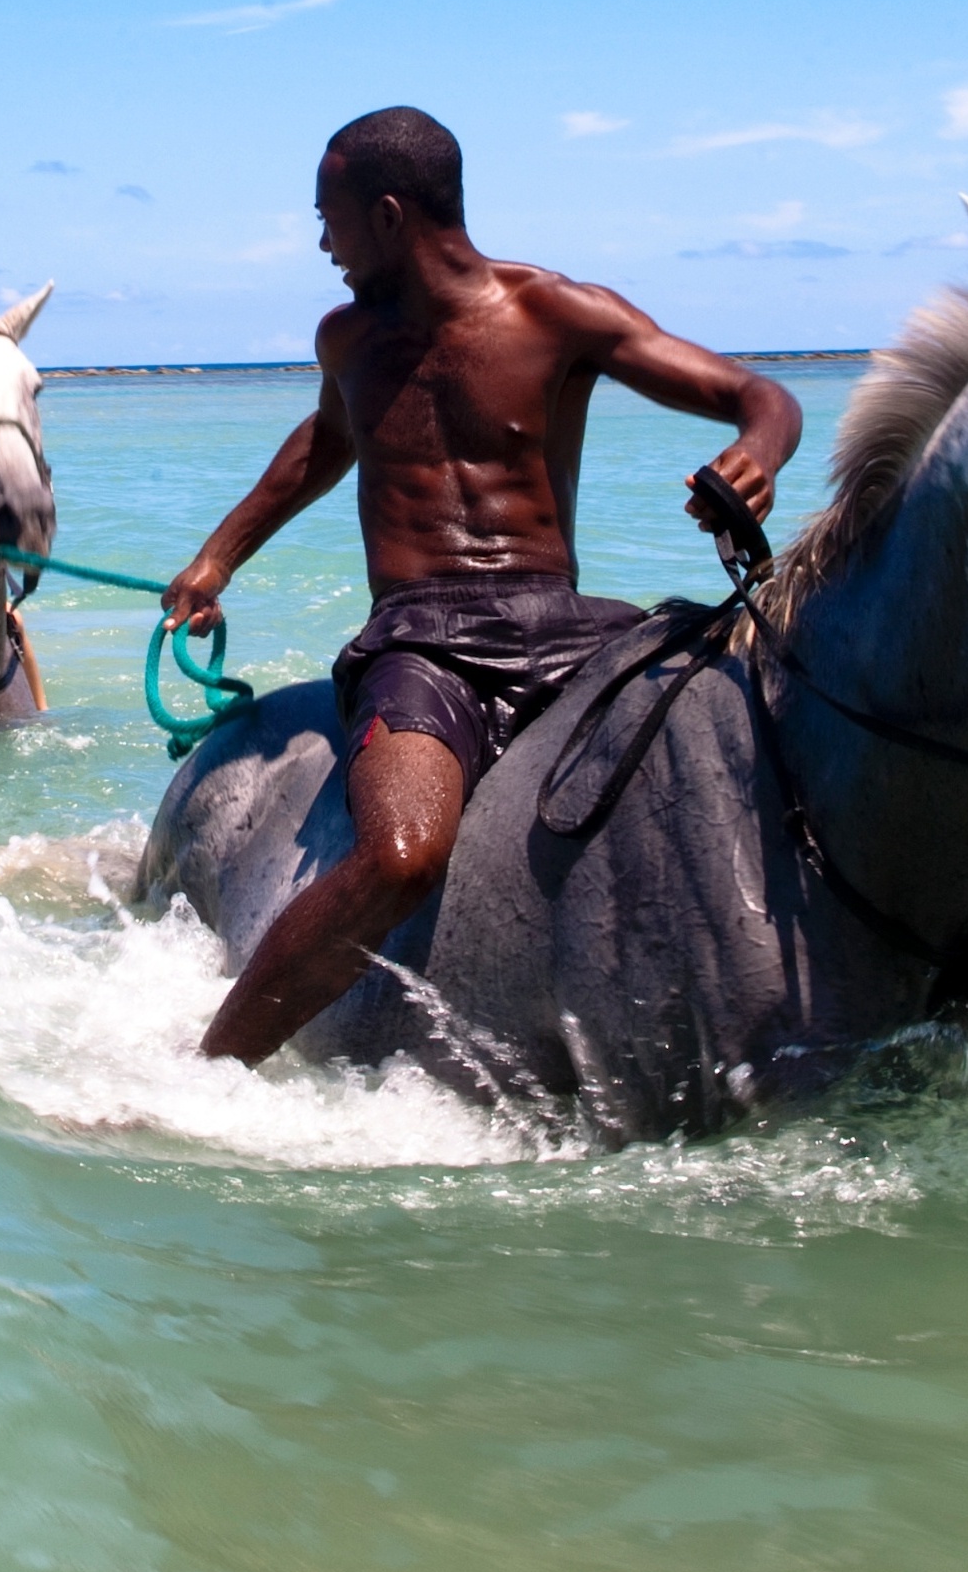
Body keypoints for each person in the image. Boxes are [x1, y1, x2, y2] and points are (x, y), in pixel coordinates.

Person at [161, 107, 804, 1067]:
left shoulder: (559, 314)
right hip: (421, 643)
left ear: (386, 215)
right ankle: (205, 1073)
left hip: (569, 625)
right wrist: (216, 561)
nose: (321, 242)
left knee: (742, 739)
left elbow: (759, 394)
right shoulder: (347, 340)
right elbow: (326, 443)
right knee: (402, 854)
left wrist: (758, 453)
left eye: (327, 217)